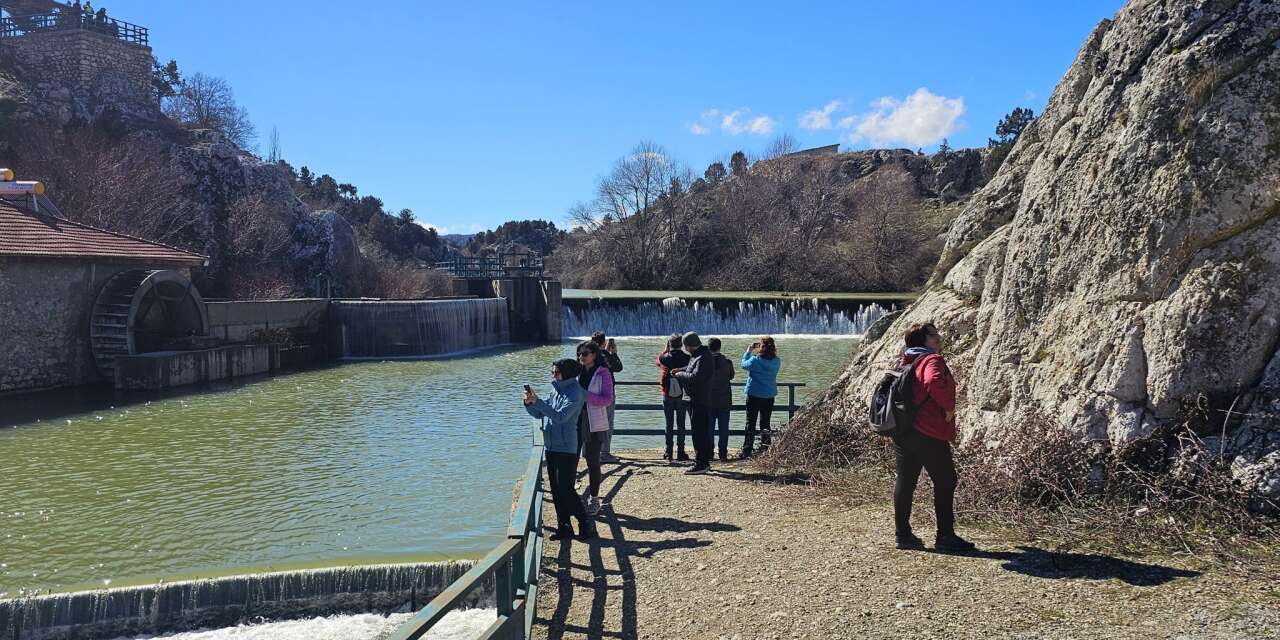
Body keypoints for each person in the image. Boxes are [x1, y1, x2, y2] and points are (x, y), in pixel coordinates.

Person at [892, 323, 974, 553]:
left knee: (905, 482)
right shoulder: (931, 360)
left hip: (903, 430)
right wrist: (949, 407)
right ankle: (945, 536)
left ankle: (903, 536)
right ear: (924, 340)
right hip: (928, 431)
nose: (939, 338)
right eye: (934, 335)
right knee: (946, 481)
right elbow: (933, 382)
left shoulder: (905, 360)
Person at [524, 358, 595, 541]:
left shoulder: (576, 393)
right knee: (556, 490)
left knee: (566, 489)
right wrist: (530, 404)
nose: (553, 375)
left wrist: (539, 402)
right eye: (552, 372)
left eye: (556, 372)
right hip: (552, 445)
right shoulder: (555, 391)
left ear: (567, 373)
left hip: (567, 448)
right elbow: (540, 413)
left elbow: (561, 416)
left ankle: (584, 522)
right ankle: (564, 527)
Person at [575, 340, 613, 516]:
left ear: (594, 355)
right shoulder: (576, 371)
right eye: (579, 353)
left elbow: (607, 399)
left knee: (592, 461)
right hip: (574, 419)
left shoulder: (603, 373)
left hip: (594, 422)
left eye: (585, 353)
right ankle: (572, 496)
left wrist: (586, 396)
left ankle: (594, 498)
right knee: (571, 458)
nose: (581, 357)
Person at [672, 332, 714, 474]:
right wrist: (682, 369)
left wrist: (679, 374)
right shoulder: (699, 355)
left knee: (698, 432)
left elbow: (696, 377)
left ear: (688, 345)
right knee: (700, 431)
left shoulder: (702, 357)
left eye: (685, 345)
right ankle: (704, 460)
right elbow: (692, 369)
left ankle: (701, 463)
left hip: (698, 399)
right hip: (698, 399)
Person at [740, 336, 781, 458]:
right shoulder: (777, 361)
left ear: (761, 347)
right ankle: (766, 449)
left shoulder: (755, 360)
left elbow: (743, 365)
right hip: (769, 395)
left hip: (754, 395)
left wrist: (748, 351)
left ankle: (747, 450)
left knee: (750, 422)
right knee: (765, 423)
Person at [656, 334, 690, 461]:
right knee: (681, 424)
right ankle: (681, 452)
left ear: (669, 344)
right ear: (681, 344)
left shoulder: (664, 357)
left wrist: (666, 349)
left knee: (668, 424)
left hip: (667, 393)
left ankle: (668, 451)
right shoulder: (687, 357)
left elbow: (658, 362)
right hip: (682, 393)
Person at [590, 332, 623, 462]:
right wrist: (613, 353)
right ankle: (605, 453)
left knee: (592, 422)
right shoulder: (604, 355)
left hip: (592, 394)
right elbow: (618, 367)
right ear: (603, 343)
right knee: (607, 422)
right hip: (606, 393)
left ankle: (592, 452)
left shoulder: (588, 355)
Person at [707, 338, 735, 462]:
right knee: (724, 429)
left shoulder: (704, 363)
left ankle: (709, 453)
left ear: (709, 348)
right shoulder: (727, 362)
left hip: (708, 400)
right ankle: (723, 454)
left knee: (709, 429)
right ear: (719, 347)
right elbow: (731, 376)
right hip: (724, 400)